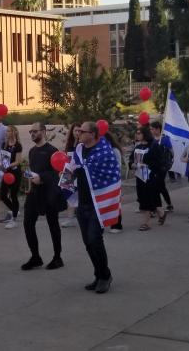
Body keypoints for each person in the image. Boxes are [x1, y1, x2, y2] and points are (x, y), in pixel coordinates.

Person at [71, 121, 117, 294]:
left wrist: (81, 169)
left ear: (92, 134)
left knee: (94, 239)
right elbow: (75, 169)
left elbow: (109, 172)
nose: (79, 133)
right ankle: (98, 275)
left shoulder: (104, 151)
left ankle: (106, 276)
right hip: (82, 202)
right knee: (88, 243)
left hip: (98, 204)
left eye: (82, 131)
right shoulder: (79, 150)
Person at [20, 122, 64, 270]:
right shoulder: (32, 151)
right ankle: (35, 257)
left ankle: (57, 258)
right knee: (27, 223)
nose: (32, 134)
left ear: (43, 132)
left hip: (49, 193)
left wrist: (42, 178)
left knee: (53, 226)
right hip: (34, 193)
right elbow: (33, 171)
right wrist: (30, 183)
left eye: (35, 131)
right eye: (30, 132)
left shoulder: (52, 150)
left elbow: (57, 173)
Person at [136, 126, 171, 230]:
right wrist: (132, 165)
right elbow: (131, 160)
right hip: (139, 176)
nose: (137, 135)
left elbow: (159, 161)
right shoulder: (137, 146)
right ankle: (161, 213)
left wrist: (150, 168)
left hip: (151, 177)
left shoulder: (153, 145)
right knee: (144, 198)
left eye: (139, 133)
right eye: (136, 133)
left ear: (145, 134)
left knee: (147, 199)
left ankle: (145, 223)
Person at [0, 125, 24, 229]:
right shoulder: (4, 144)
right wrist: (0, 163)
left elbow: (18, 161)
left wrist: (9, 165)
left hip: (15, 173)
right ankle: (15, 210)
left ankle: (14, 219)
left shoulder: (18, 145)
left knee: (13, 195)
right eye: (6, 131)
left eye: (8, 131)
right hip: (6, 173)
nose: (6, 133)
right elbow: (3, 157)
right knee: (3, 195)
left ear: (13, 133)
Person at [148, 121, 174, 211]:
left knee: (158, 185)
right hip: (153, 166)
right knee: (161, 186)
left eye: (152, 129)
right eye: (150, 129)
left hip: (162, 167)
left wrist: (167, 162)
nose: (151, 131)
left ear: (158, 129)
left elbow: (171, 152)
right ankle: (168, 204)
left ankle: (156, 206)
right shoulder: (151, 140)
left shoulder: (165, 139)